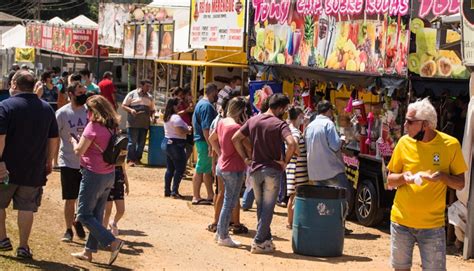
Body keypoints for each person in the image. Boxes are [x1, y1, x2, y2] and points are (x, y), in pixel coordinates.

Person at [387, 98, 467, 271]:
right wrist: (404, 177)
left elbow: (460, 184)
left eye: (409, 122)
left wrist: (442, 177)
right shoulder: (403, 143)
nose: (405, 126)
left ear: (425, 124)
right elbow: (390, 180)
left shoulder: (450, 145)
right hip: (401, 223)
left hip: (433, 227)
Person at [0, 70, 59, 259]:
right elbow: (53, 138)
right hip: (34, 168)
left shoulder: (5, 107)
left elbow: (1, 137)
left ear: (14, 84)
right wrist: (49, 161)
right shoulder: (46, 108)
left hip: (6, 168)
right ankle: (23, 246)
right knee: (26, 207)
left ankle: (2, 240)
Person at [232, 93, 296, 253]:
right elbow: (292, 144)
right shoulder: (280, 124)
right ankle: (259, 240)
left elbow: (235, 138)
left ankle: (266, 239)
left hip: (255, 169)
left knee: (261, 206)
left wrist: (246, 158)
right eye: (285, 109)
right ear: (281, 108)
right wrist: (285, 162)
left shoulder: (253, 120)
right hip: (272, 170)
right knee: (267, 208)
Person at [71, 95, 124, 265]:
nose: (86, 113)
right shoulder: (112, 127)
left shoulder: (92, 126)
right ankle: (88, 252)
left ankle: (113, 241)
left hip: (93, 174)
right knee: (97, 214)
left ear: (94, 111)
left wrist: (74, 141)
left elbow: (79, 151)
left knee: (84, 215)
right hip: (109, 174)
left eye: (87, 110)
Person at [209, 97, 249, 247]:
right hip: (234, 167)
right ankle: (223, 235)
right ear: (241, 111)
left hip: (223, 164)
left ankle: (220, 232)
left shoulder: (222, 122)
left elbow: (212, 139)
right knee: (230, 201)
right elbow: (249, 145)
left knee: (226, 199)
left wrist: (220, 153)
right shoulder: (236, 127)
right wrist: (245, 125)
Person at [305, 100, 354, 220]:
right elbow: (335, 145)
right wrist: (342, 139)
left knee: (322, 200)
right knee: (345, 195)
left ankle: (325, 222)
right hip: (331, 170)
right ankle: (339, 223)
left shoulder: (310, 126)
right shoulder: (328, 124)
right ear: (329, 111)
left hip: (315, 171)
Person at [56, 82, 88, 242]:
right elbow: (55, 138)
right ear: (70, 94)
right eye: (80, 92)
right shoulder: (62, 113)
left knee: (86, 199)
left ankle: (79, 220)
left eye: (84, 92)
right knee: (70, 198)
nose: (83, 95)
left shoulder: (90, 112)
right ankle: (68, 230)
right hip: (68, 161)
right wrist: (53, 159)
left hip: (87, 163)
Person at [191, 83, 218, 205]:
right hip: (204, 141)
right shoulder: (207, 106)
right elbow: (206, 128)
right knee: (200, 168)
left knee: (206, 169)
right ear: (213, 92)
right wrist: (211, 144)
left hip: (201, 140)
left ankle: (210, 194)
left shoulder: (200, 104)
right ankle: (196, 196)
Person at [122, 79, 156, 167]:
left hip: (144, 124)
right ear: (141, 85)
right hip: (133, 123)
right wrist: (131, 110)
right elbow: (123, 105)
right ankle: (130, 159)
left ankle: (137, 159)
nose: (148, 88)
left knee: (141, 143)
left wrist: (153, 118)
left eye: (150, 86)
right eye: (147, 86)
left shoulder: (150, 97)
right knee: (132, 142)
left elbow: (152, 110)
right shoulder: (132, 94)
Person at [163, 98, 191, 199]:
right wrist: (188, 130)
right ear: (174, 106)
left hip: (168, 142)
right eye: (178, 105)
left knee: (170, 169)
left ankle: (167, 190)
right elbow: (180, 131)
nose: (180, 107)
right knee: (180, 168)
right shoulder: (176, 118)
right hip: (176, 144)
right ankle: (174, 191)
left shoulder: (167, 117)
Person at [285, 107, 308, 229]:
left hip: (294, 167)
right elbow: (293, 143)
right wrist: (298, 152)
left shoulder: (290, 129)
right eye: (302, 117)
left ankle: (290, 221)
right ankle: (291, 222)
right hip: (297, 168)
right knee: (295, 196)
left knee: (293, 196)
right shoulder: (294, 131)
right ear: (298, 116)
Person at [103, 162, 129, 237]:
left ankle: (113, 223)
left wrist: (127, 185)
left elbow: (124, 172)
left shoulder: (121, 160)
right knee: (107, 211)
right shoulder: (108, 158)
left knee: (121, 210)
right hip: (108, 186)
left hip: (119, 187)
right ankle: (103, 232)